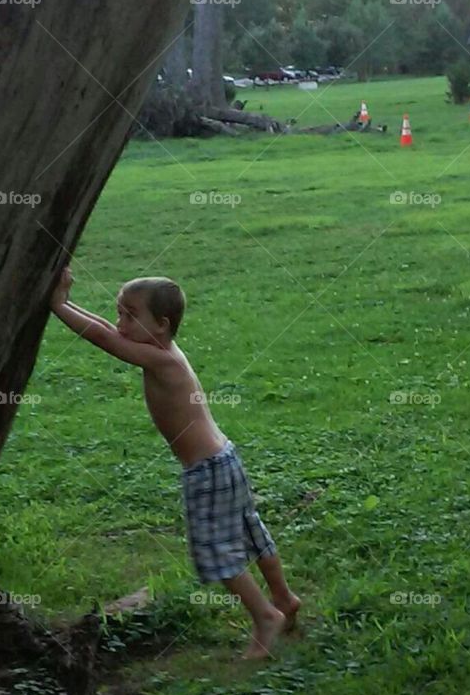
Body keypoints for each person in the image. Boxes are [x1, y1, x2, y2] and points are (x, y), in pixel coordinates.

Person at [50, 265, 300, 659]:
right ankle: (284, 597)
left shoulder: (160, 361)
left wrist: (57, 306)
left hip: (206, 471)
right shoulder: (165, 350)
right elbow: (106, 328)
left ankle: (266, 616)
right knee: (250, 530)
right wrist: (68, 302)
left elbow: (102, 337)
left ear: (161, 324)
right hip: (224, 459)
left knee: (216, 549)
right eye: (120, 312)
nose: (121, 323)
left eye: (130, 315)